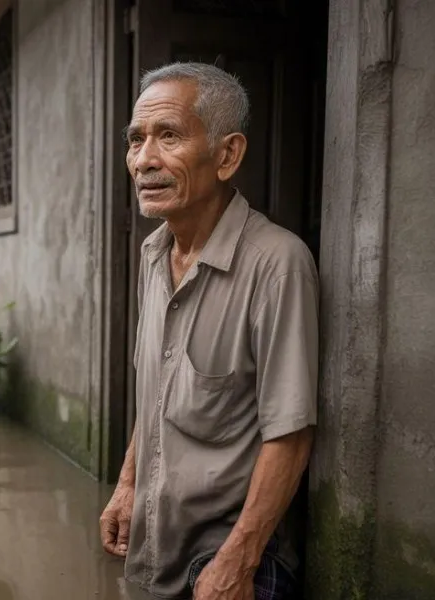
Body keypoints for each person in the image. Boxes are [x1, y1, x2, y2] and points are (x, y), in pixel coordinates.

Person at [99, 62, 318, 600]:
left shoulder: (277, 263)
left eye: (168, 136)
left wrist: (238, 561)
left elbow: (290, 434)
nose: (144, 160)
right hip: (158, 539)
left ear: (227, 156)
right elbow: (157, 391)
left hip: (231, 546)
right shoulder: (153, 253)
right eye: (136, 139)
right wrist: (127, 485)